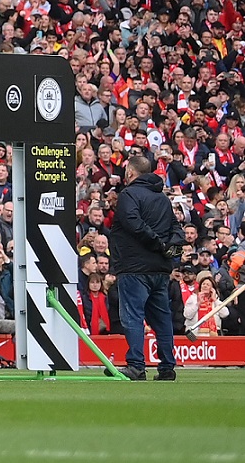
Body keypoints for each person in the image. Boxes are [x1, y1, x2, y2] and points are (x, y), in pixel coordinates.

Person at [110, 154, 180, 381]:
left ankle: (136, 365)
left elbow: (133, 223)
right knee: (162, 318)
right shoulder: (162, 199)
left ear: (130, 172)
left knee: (132, 315)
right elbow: (177, 229)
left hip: (134, 267)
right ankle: (167, 366)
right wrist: (169, 248)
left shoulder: (128, 195)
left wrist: (157, 243)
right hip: (159, 268)